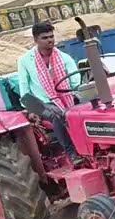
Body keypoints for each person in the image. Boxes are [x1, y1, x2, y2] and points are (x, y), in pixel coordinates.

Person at [16, 22, 82, 164]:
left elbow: (75, 79)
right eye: (45, 38)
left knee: (85, 109)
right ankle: (72, 153)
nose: (50, 40)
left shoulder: (64, 57)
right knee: (57, 115)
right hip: (41, 102)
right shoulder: (25, 60)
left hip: (65, 97)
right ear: (36, 40)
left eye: (51, 36)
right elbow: (24, 86)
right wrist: (30, 108)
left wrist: (75, 92)